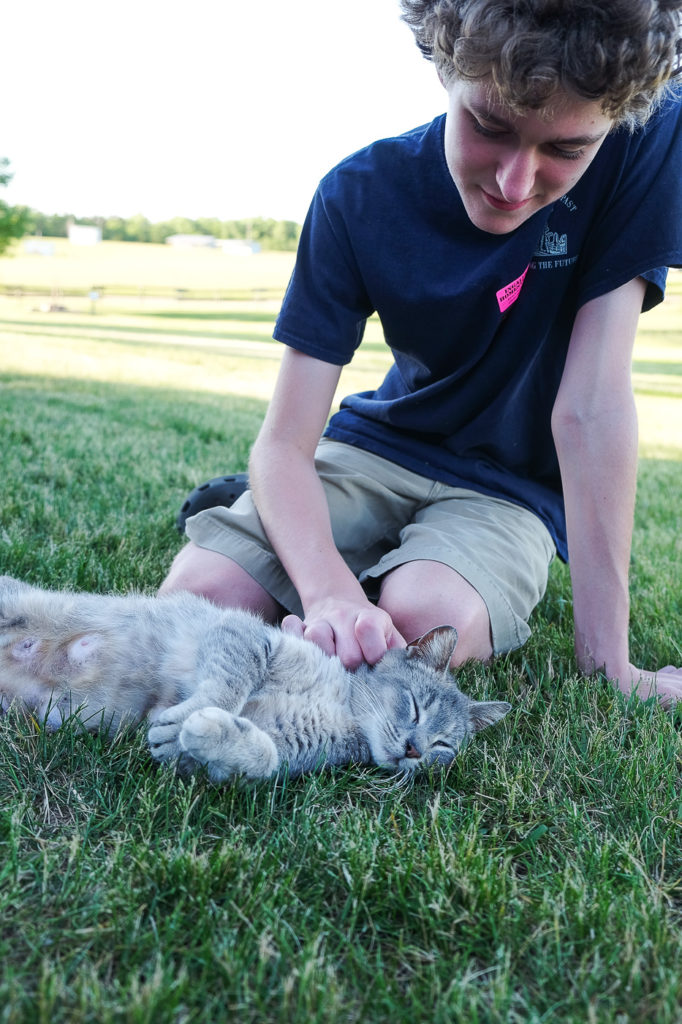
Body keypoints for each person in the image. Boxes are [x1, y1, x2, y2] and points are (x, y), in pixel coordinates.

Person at [161, 0, 682, 706]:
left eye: (564, 149)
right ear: (447, 67)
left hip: (507, 491)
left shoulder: (646, 136)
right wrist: (328, 594)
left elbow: (589, 409)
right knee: (201, 594)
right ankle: (305, 528)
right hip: (376, 447)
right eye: (490, 128)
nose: (514, 183)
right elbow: (283, 443)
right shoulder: (356, 194)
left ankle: (327, 539)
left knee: (423, 626)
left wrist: (611, 669)